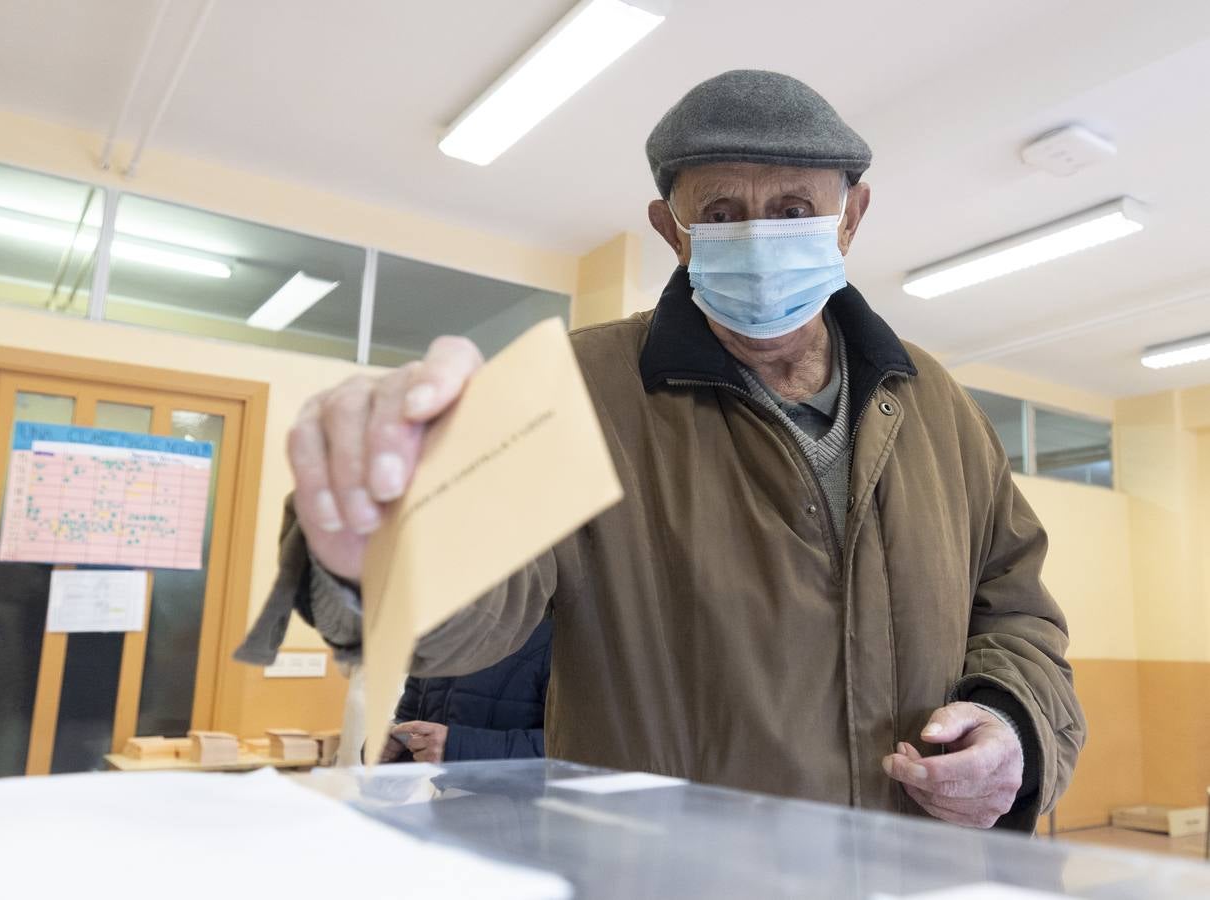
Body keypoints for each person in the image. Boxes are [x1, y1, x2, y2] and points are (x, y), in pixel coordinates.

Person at [238, 70, 1086, 832]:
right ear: (671, 228)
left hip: (914, 870)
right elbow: (464, 618)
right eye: (722, 212)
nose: (758, 237)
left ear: (850, 216)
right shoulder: (575, 388)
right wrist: (377, 536)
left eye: (793, 209)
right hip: (666, 873)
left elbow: (1014, 611)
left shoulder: (933, 403)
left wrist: (1011, 725)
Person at [380, 618, 551, 764]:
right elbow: (408, 718)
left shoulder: (556, 636)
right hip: (440, 799)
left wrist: (455, 747)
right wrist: (390, 747)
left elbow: (567, 752)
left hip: (523, 801)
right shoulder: (436, 635)